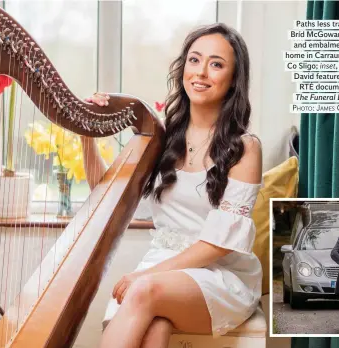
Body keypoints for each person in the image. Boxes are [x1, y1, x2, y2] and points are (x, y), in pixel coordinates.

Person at [81, 22, 263, 348]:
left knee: (144, 293)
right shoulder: (161, 139)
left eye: (216, 64)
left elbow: (218, 245)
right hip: (164, 269)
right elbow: (104, 192)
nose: (201, 72)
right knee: (156, 329)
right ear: (183, 68)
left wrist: (146, 276)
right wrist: (86, 134)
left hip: (222, 276)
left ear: (234, 79)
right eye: (194, 60)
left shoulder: (245, 147)